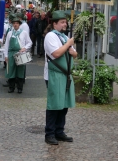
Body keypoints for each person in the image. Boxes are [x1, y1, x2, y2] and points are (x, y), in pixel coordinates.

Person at [44, 10, 77, 145]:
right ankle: (49, 133)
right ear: (54, 24)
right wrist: (68, 45)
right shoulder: (50, 36)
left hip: (66, 75)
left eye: (65, 22)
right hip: (54, 74)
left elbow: (75, 54)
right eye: (62, 22)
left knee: (64, 105)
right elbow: (56, 54)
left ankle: (59, 131)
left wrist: (72, 50)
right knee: (54, 104)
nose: (65, 24)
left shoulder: (64, 37)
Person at [4, 16, 32, 94]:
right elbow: (6, 45)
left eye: (17, 23)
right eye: (14, 23)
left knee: (20, 71)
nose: (15, 25)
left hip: (20, 53)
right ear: (12, 24)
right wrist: (6, 55)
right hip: (11, 53)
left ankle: (20, 88)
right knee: (11, 70)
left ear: (19, 24)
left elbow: (30, 42)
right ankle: (11, 87)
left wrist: (24, 48)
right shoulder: (10, 33)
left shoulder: (24, 33)